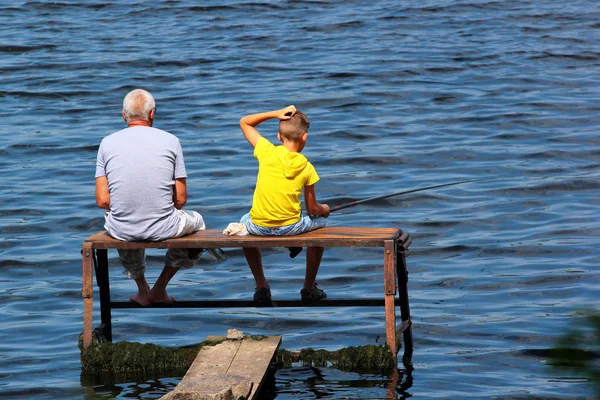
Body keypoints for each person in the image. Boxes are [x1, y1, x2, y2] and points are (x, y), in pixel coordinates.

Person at [95, 88, 206, 306]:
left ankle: (142, 288)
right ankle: (160, 287)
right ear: (152, 114)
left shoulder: (106, 143)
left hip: (123, 229)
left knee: (119, 218)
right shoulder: (171, 141)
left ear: (123, 115)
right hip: (164, 227)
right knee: (198, 221)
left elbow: (102, 201)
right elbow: (181, 199)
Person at [239, 105, 330, 301]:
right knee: (320, 226)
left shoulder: (267, 151)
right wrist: (325, 209)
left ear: (279, 137)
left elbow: (244, 122)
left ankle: (261, 284)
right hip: (291, 227)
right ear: (304, 137)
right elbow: (312, 209)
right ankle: (308, 287)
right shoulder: (307, 168)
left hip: (259, 227)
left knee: (244, 220)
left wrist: (275, 113)